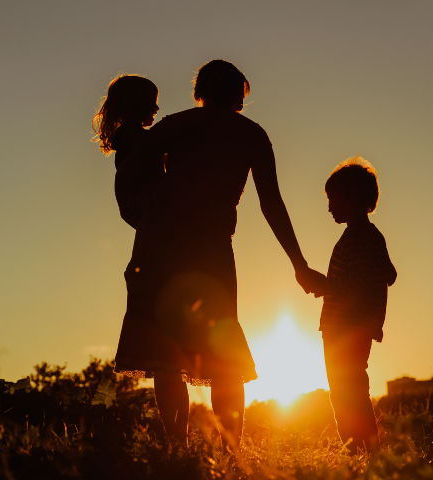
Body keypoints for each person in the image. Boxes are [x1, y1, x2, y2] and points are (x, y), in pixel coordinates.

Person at [113, 60, 318, 449]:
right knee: (225, 359)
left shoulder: (177, 124)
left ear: (201, 89)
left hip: (162, 248)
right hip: (211, 251)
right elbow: (271, 204)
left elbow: (128, 172)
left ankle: (177, 448)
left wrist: (136, 216)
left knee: (166, 356)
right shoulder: (252, 134)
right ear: (241, 92)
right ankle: (229, 452)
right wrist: (299, 264)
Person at [308, 157, 397, 455]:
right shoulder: (375, 237)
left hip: (342, 329)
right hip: (361, 328)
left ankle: (357, 451)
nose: (330, 207)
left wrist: (326, 286)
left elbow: (358, 281)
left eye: (332, 199)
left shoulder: (353, 238)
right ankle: (367, 450)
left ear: (346, 197)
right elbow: (390, 274)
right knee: (356, 388)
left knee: (345, 393)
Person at [92, 74, 163, 229]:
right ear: (136, 104)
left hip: (140, 195)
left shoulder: (131, 133)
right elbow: (147, 151)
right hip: (145, 192)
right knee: (159, 216)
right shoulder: (131, 132)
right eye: (152, 102)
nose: (156, 108)